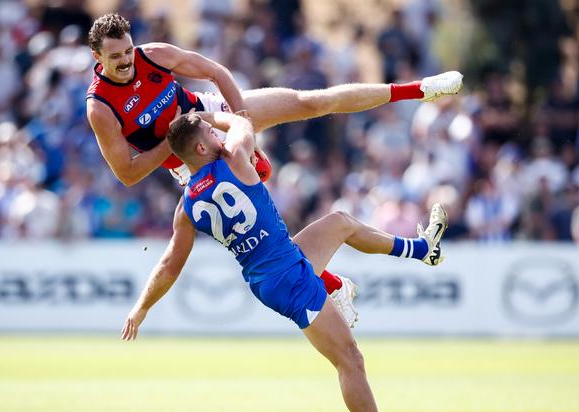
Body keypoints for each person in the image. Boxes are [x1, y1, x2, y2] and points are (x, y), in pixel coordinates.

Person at [121, 110, 448, 412]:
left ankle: (421, 250)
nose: (217, 134)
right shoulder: (234, 159)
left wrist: (141, 307)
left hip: (274, 270)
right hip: (287, 276)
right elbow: (244, 123)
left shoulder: (187, 207)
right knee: (349, 360)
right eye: (211, 133)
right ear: (201, 145)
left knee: (339, 223)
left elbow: (168, 265)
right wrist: (212, 110)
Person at [85, 12, 462, 325]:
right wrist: (173, 139)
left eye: (129, 50)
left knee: (309, 101)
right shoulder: (100, 107)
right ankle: (331, 285)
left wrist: (239, 119)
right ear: (98, 59)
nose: (127, 60)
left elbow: (216, 71)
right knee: (267, 235)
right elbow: (128, 173)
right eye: (116, 56)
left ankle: (420, 89)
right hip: (192, 164)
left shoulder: (153, 55)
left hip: (214, 112)